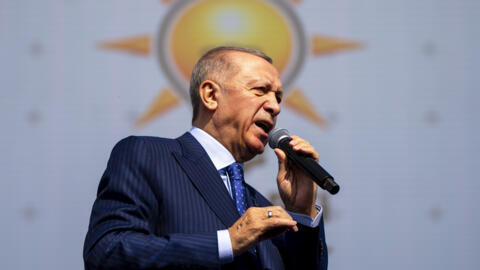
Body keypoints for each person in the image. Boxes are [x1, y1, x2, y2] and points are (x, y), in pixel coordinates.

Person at [83, 46, 328, 269]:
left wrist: (302, 212)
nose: (275, 106)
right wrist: (227, 242)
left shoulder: (262, 207)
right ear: (210, 95)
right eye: (260, 90)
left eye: (278, 97)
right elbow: (107, 252)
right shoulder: (147, 156)